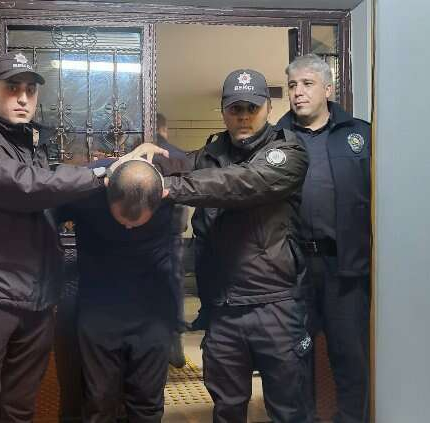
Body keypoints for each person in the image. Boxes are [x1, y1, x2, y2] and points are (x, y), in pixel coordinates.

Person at [0, 50, 154, 423]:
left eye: (30, 90)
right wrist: (99, 174)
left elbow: (55, 186)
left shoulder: (36, 150)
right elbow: (25, 186)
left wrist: (122, 169)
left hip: (36, 302)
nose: (23, 98)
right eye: (13, 89)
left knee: (20, 409)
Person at [158, 68, 313, 423]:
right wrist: (141, 158)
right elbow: (176, 165)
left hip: (275, 304)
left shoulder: (287, 151)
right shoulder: (209, 155)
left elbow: (242, 183)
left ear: (268, 108)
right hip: (223, 309)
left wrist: (170, 186)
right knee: (226, 408)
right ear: (224, 110)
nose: (243, 116)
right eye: (235, 108)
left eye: (251, 108)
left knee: (290, 411)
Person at [276, 54, 371, 423]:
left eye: (307, 84)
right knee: (293, 359)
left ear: (328, 90)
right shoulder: (275, 138)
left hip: (346, 269)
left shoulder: (359, 135)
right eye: (292, 86)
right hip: (292, 270)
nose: (298, 92)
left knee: (350, 358)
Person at [58, 158, 175, 423]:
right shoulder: (88, 196)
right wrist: (102, 169)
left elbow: (191, 162)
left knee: (148, 404)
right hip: (99, 314)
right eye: (122, 219)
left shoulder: (167, 193)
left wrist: (153, 151)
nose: (129, 227)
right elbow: (43, 198)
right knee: (99, 402)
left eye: (137, 222)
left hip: (153, 315)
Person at [155, 112, 189, 368]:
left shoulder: (136, 152)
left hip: (143, 233)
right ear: (164, 129)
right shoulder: (178, 156)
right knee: (174, 285)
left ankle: (154, 348)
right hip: (172, 233)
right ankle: (175, 344)